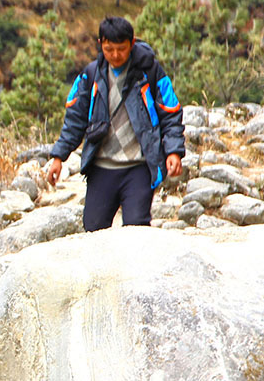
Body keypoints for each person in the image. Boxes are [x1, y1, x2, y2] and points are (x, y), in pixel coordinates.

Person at [44, 16, 185, 231]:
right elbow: (75, 120)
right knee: (93, 228)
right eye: (109, 49)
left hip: (138, 166)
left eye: (121, 48)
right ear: (100, 44)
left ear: (132, 43)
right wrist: (58, 156)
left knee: (137, 229)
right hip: (102, 166)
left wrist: (173, 151)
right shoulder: (89, 76)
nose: (116, 55)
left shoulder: (151, 73)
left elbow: (171, 114)